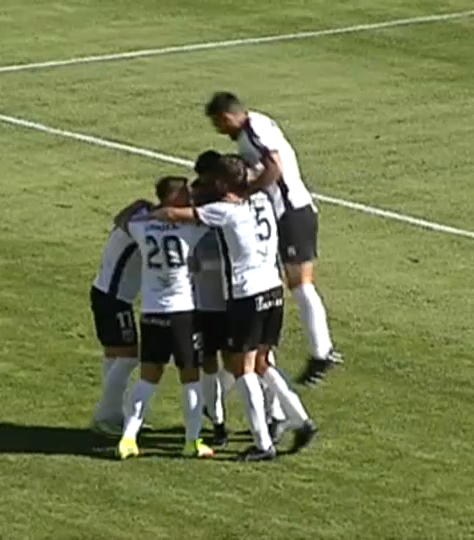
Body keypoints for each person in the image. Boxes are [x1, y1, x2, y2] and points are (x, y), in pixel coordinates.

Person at [148, 155, 318, 462]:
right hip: (273, 290)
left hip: (246, 294)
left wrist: (151, 212)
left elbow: (175, 214)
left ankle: (262, 443)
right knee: (264, 362)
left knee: (244, 369)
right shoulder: (263, 200)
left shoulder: (222, 211)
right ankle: (302, 420)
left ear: (222, 183)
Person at [205, 91, 343, 387]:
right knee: (296, 283)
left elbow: (274, 167)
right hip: (292, 211)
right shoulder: (257, 125)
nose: (220, 130)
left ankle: (322, 351)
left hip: (291, 211)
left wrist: (245, 193)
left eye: (219, 124)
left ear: (228, 116)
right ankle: (319, 351)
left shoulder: (252, 130)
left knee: (301, 283)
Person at [115, 176, 215, 460]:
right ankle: (192, 441)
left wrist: (146, 209)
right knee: (190, 377)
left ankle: (128, 438)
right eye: (184, 194)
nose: (189, 198)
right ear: (173, 199)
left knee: (148, 377)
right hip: (182, 313)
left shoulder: (140, 225)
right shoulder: (191, 228)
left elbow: (121, 220)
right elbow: (213, 219)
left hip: (152, 312)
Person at [89, 199, 149, 435]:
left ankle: (114, 414)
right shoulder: (142, 224)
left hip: (105, 293)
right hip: (115, 299)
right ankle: (106, 414)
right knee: (129, 357)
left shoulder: (136, 216)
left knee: (115, 356)